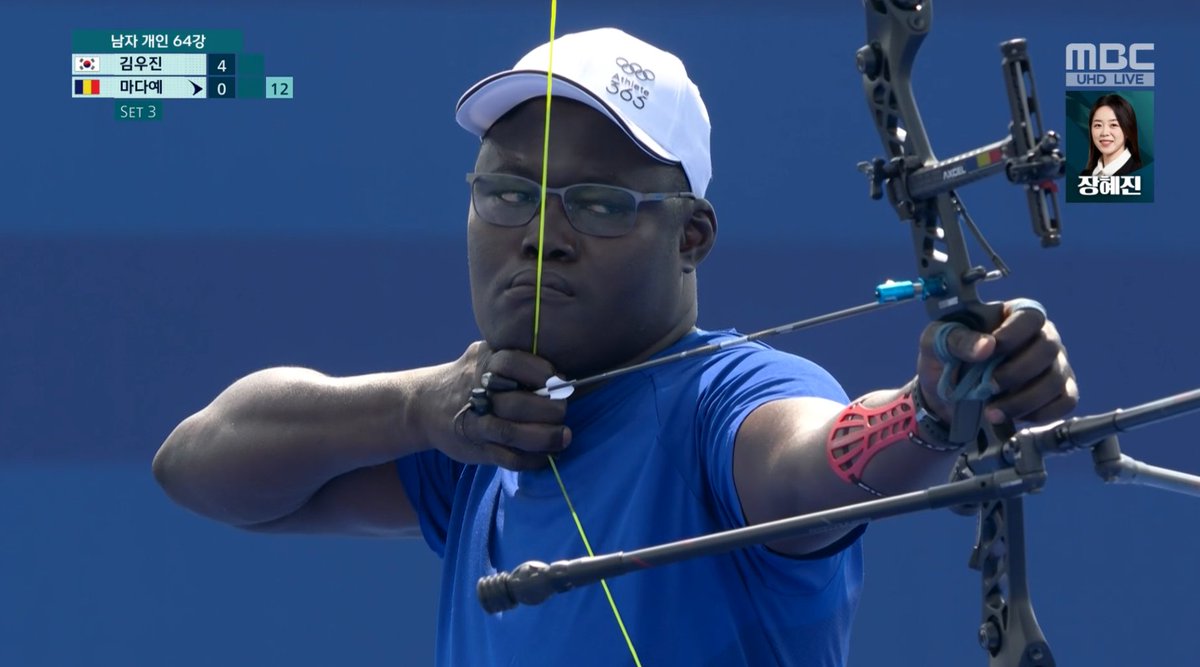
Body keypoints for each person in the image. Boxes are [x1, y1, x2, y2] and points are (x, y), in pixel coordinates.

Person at [152, 28, 1078, 666]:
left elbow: (813, 460)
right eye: (507, 194)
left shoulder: (728, 398)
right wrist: (414, 407)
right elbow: (198, 467)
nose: (538, 236)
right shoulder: (476, 437)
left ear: (690, 237)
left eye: (597, 205)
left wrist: (932, 410)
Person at [1082, 93, 1143, 177]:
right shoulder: (1085, 176)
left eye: (1113, 125)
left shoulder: (1140, 175)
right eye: (1098, 125)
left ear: (1128, 130)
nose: (1104, 133)